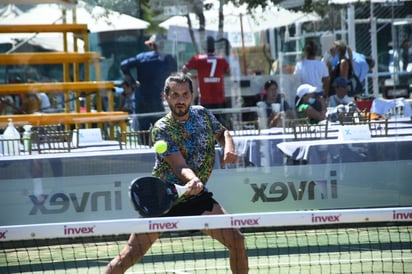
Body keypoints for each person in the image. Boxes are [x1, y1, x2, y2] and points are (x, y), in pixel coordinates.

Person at [104, 73, 248, 274]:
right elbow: (178, 166)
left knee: (237, 241)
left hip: (196, 198)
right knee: (130, 254)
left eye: (185, 94)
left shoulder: (203, 115)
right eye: (175, 95)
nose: (181, 100)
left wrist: (228, 148)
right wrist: (194, 179)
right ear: (166, 96)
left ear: (192, 95)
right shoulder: (161, 129)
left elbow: (222, 132)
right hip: (163, 198)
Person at [120, 34, 177, 130]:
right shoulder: (168, 59)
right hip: (157, 98)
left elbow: (124, 65)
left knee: (142, 132)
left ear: (151, 45)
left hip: (141, 99)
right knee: (160, 129)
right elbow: (174, 76)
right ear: (162, 45)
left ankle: (144, 144)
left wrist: (132, 82)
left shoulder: (141, 57)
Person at [182, 36, 230, 127]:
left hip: (205, 98)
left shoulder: (198, 58)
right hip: (219, 98)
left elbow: (184, 69)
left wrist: (190, 77)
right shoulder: (221, 59)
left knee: (205, 126)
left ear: (204, 47)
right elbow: (228, 72)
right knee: (220, 126)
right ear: (214, 47)